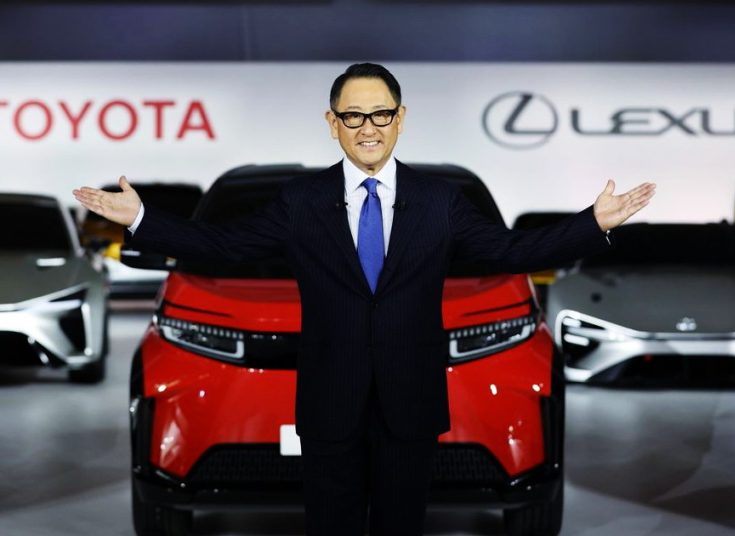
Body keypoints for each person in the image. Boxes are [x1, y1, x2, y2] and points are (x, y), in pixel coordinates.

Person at [74, 63, 655, 536]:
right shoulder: (302, 200)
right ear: (333, 123)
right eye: (353, 115)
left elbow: (510, 250)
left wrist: (592, 223)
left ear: (400, 119)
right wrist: (143, 218)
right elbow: (224, 245)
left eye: (380, 114)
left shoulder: (439, 201)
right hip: (330, 400)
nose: (367, 127)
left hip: (411, 400)